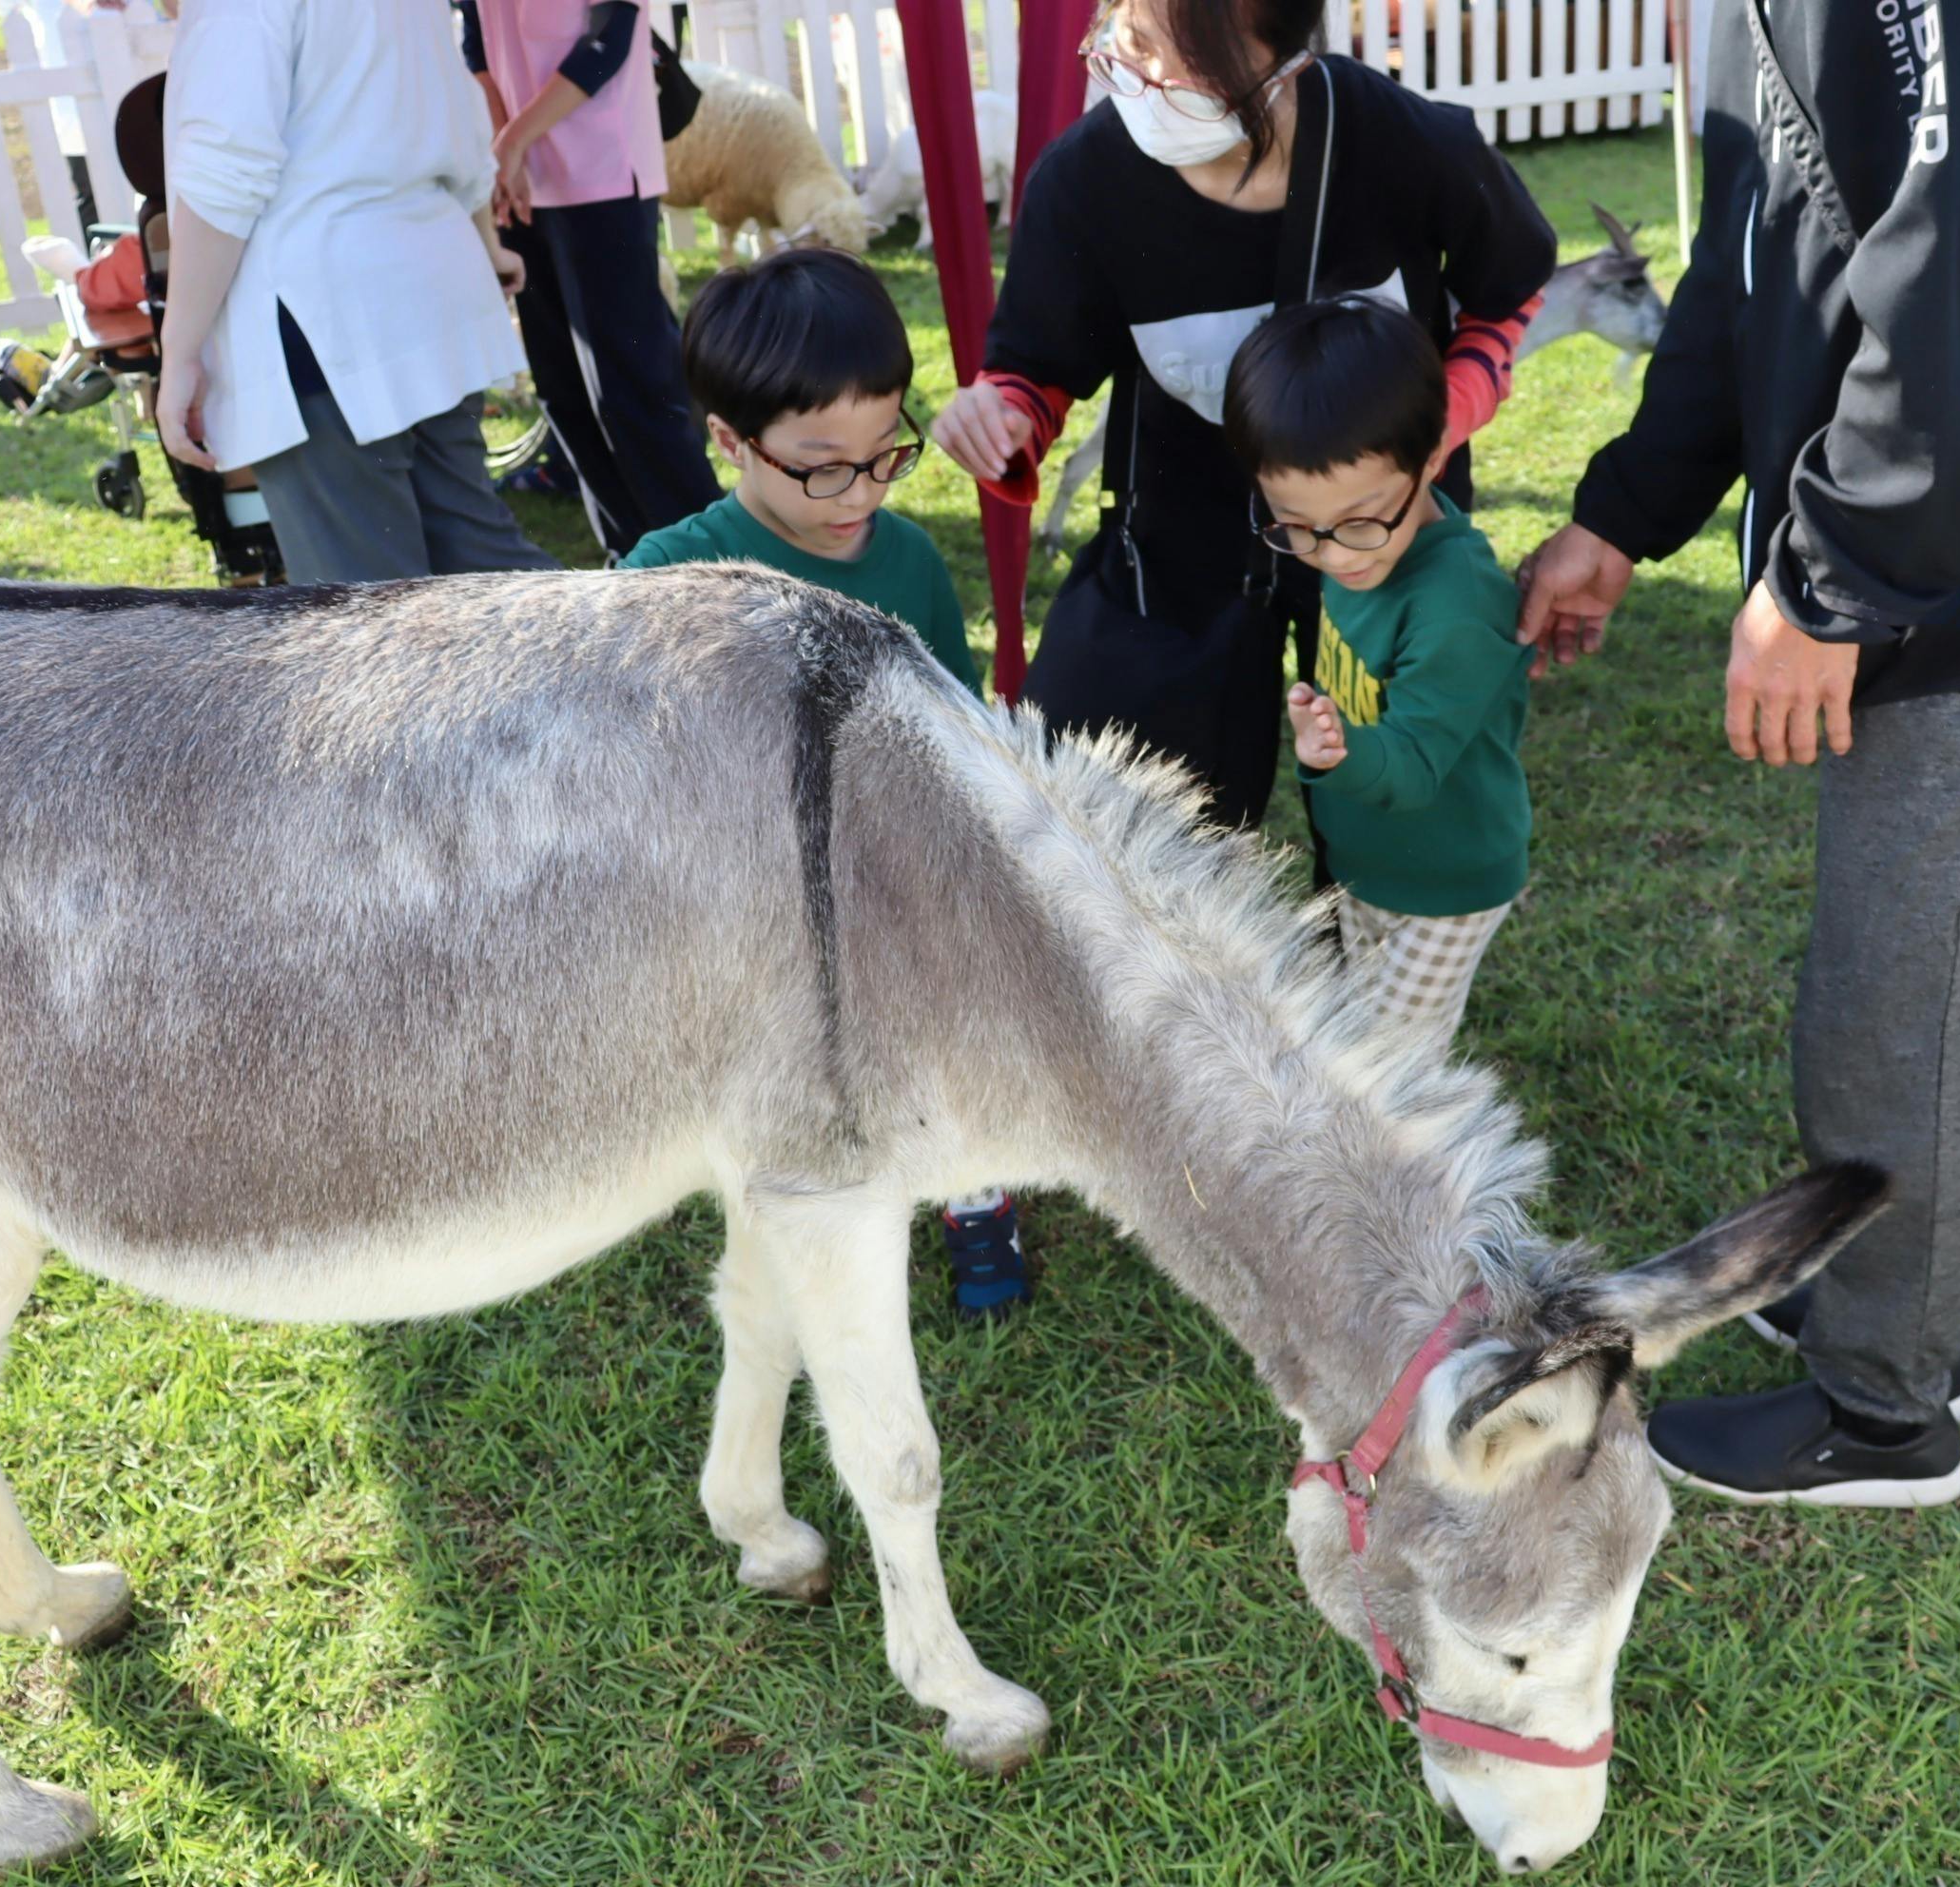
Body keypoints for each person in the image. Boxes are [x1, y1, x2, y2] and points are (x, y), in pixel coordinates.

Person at [1517, 0, 1960, 1507]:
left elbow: (1959, 264)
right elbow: (1766, 241)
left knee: (1912, 994)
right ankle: (1885, 1294)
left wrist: (1832, 581)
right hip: (1920, 551)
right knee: (1885, 978)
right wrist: (1627, 510)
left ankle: (1887, 1410)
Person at [930, 0, 1554, 831]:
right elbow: (1036, 363)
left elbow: (1508, 289)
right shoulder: (1084, 179)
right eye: (1125, 37)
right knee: (1145, 831)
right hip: (1183, 534)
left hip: (1381, 534)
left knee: (1392, 814)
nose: (1133, 73)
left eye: (1168, 56)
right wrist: (1002, 418)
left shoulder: (1408, 143)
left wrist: (1443, 421)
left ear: (1279, 60)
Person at [618, 249, 1027, 1320]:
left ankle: (972, 1191)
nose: (860, 493)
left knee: (940, 1038)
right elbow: (620, 752)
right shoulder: (666, 580)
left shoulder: (911, 567)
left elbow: (954, 725)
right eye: (819, 467)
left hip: (892, 868)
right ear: (727, 442)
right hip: (752, 895)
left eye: (885, 455)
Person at [154, 0, 555, 584]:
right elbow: (455, 107)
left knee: (368, 622)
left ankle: (634, 667)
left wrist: (181, 349)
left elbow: (225, 170)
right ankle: (630, 668)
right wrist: (484, 241)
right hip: (428, 283)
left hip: (324, 316)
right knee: (482, 573)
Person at [1225, 297, 1530, 1051]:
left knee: (1389, 1077)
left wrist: (1338, 752)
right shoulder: (1359, 538)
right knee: (1354, 1039)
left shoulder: (1456, 602)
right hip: (1371, 859)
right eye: (1297, 526)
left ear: (1432, 457)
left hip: (1442, 884)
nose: (1333, 555)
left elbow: (1419, 763)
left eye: (1361, 521)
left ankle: (1423, 1171)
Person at [458, 0, 720, 560]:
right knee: (562, 389)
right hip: (520, 179)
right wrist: (507, 150)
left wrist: (512, 142)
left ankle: (711, 567)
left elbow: (609, 41)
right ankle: (630, 559)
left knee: (631, 389)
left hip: (603, 173)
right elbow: (476, 45)